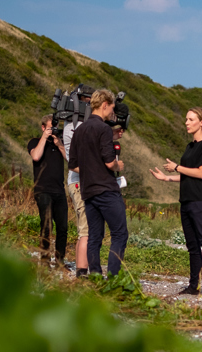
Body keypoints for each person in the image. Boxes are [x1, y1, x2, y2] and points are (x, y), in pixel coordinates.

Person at [149, 107, 202, 297]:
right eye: (186, 119)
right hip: (187, 200)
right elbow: (189, 176)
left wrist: (177, 167)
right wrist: (167, 178)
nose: (186, 123)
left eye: (191, 119)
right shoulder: (190, 147)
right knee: (192, 245)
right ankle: (193, 286)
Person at [68, 89, 128, 277]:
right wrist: (119, 165)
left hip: (88, 190)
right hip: (106, 189)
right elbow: (110, 162)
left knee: (94, 236)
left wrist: (91, 169)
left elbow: (73, 165)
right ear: (104, 105)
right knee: (119, 234)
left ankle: (94, 275)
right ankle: (112, 278)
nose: (112, 112)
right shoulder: (103, 129)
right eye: (111, 108)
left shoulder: (79, 130)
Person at [27, 114, 68, 266]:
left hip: (59, 190)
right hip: (42, 190)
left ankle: (60, 261)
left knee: (63, 227)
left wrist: (60, 145)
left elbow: (70, 161)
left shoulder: (59, 143)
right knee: (46, 225)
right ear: (43, 127)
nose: (53, 131)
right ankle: (44, 260)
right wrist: (44, 137)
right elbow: (36, 157)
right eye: (50, 127)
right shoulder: (35, 142)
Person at [63, 85, 95, 277]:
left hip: (77, 182)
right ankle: (82, 273)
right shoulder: (76, 127)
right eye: (89, 101)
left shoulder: (70, 126)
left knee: (85, 228)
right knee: (86, 229)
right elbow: (76, 162)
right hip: (79, 182)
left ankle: (82, 269)